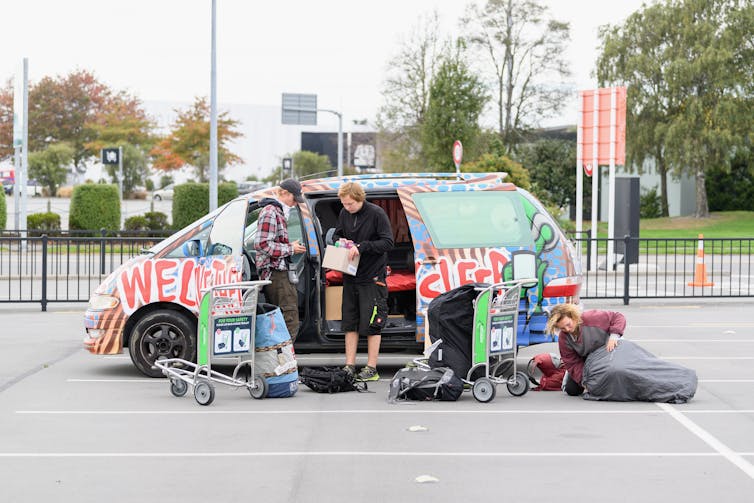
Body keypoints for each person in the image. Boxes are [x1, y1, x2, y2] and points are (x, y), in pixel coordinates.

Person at [333, 181, 394, 381]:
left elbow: (387, 242)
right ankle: (349, 365)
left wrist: (362, 246)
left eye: (350, 204)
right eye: (344, 204)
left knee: (372, 323)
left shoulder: (377, 214)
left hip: (372, 276)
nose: (347, 208)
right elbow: (340, 233)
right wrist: (339, 240)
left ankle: (371, 368)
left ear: (360, 199)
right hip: (350, 274)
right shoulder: (344, 214)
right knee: (350, 322)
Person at [254, 178, 307, 340]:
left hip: (276, 271)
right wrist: (291, 248)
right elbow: (262, 244)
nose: (295, 203)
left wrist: (289, 245)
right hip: (276, 273)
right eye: (294, 199)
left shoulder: (276, 211)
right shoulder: (271, 212)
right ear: (284, 193)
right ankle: (286, 359)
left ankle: (282, 358)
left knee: (284, 315)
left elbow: (268, 243)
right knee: (288, 316)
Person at [545, 304, 625, 396]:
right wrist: (585, 381)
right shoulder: (564, 339)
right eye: (562, 328)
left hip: (609, 353)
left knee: (616, 378)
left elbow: (618, 317)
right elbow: (572, 363)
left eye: (568, 324)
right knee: (572, 390)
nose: (567, 329)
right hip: (588, 361)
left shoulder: (591, 317)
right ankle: (568, 376)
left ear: (573, 316)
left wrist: (614, 335)